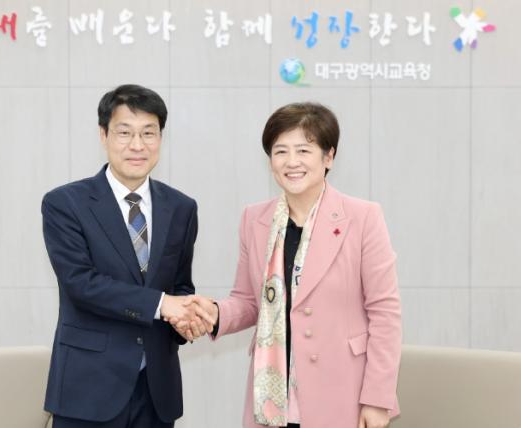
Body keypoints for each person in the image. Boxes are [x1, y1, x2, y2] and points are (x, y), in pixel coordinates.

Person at [173, 102, 402, 428]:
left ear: (328, 157)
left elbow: (385, 313)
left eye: (304, 150)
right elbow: (248, 301)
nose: (291, 162)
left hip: (343, 391)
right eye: (281, 151)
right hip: (272, 396)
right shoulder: (255, 219)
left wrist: (377, 398)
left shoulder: (363, 217)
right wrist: (213, 314)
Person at [41, 84, 213, 428]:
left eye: (149, 133)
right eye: (125, 132)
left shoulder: (181, 207)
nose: (137, 145)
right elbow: (81, 284)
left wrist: (186, 320)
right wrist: (162, 305)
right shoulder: (65, 203)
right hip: (88, 388)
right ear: (103, 135)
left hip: (157, 391)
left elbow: (179, 286)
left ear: (160, 137)